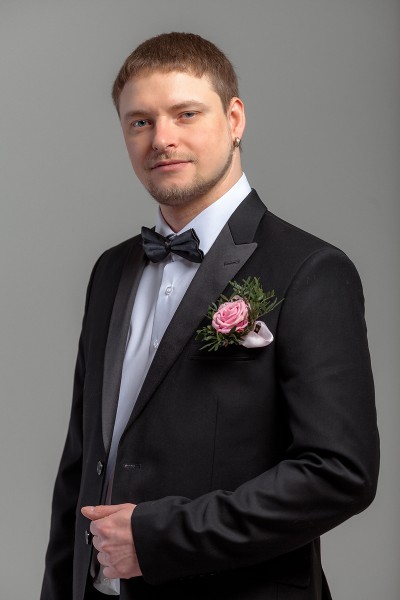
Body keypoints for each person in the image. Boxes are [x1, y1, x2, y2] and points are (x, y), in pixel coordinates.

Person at [40, 32, 379, 600]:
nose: (162, 139)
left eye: (186, 114)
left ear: (234, 118)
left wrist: (158, 538)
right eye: (140, 122)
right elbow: (81, 465)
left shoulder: (311, 269)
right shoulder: (110, 270)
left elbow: (339, 474)